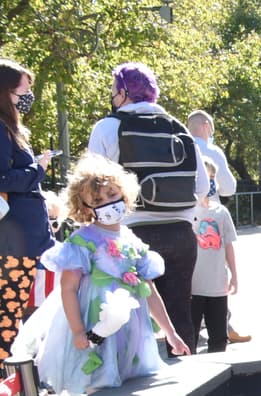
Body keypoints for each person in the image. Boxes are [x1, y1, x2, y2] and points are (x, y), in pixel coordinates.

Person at [15, 154, 189, 395]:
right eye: (97, 199)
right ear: (85, 206)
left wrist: (170, 333)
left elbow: (149, 291)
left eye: (112, 195)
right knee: (96, 379)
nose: (107, 202)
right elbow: (68, 289)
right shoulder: (83, 241)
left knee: (129, 382)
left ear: (124, 193)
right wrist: (77, 330)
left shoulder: (131, 240)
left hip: (132, 330)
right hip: (96, 324)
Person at [88, 63, 209, 355]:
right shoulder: (179, 128)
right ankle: (188, 380)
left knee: (125, 313)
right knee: (180, 312)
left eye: (114, 91)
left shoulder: (108, 127)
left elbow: (91, 183)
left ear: (123, 92)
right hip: (181, 234)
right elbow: (203, 187)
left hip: (131, 235)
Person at [0, 58, 55, 360]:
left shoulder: (9, 128)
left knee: (15, 309)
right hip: (12, 240)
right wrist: (38, 169)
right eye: (22, 90)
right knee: (9, 311)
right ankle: (9, 380)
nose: (26, 97)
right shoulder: (1, 128)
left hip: (20, 237)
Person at [191, 157, 239, 353]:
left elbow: (228, 245)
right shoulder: (186, 212)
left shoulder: (221, 212)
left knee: (219, 338)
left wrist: (234, 275)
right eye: (205, 177)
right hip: (193, 286)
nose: (209, 182)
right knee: (190, 335)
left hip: (217, 285)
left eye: (212, 178)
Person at [186, 110, 236, 199]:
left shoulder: (179, 149)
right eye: (211, 131)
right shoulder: (213, 152)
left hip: (184, 210)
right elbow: (229, 189)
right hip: (207, 209)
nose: (211, 136)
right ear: (206, 126)